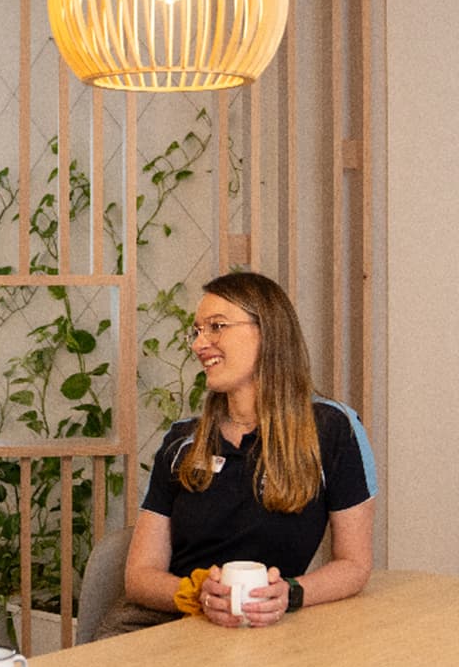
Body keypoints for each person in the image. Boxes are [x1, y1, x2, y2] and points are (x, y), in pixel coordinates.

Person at [104, 271, 377, 637]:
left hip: (264, 632)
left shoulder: (333, 430)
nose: (201, 344)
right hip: (160, 627)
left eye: (216, 327)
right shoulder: (181, 441)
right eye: (197, 331)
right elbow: (139, 577)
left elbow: (354, 565)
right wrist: (196, 595)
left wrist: (291, 594)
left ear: (268, 331)